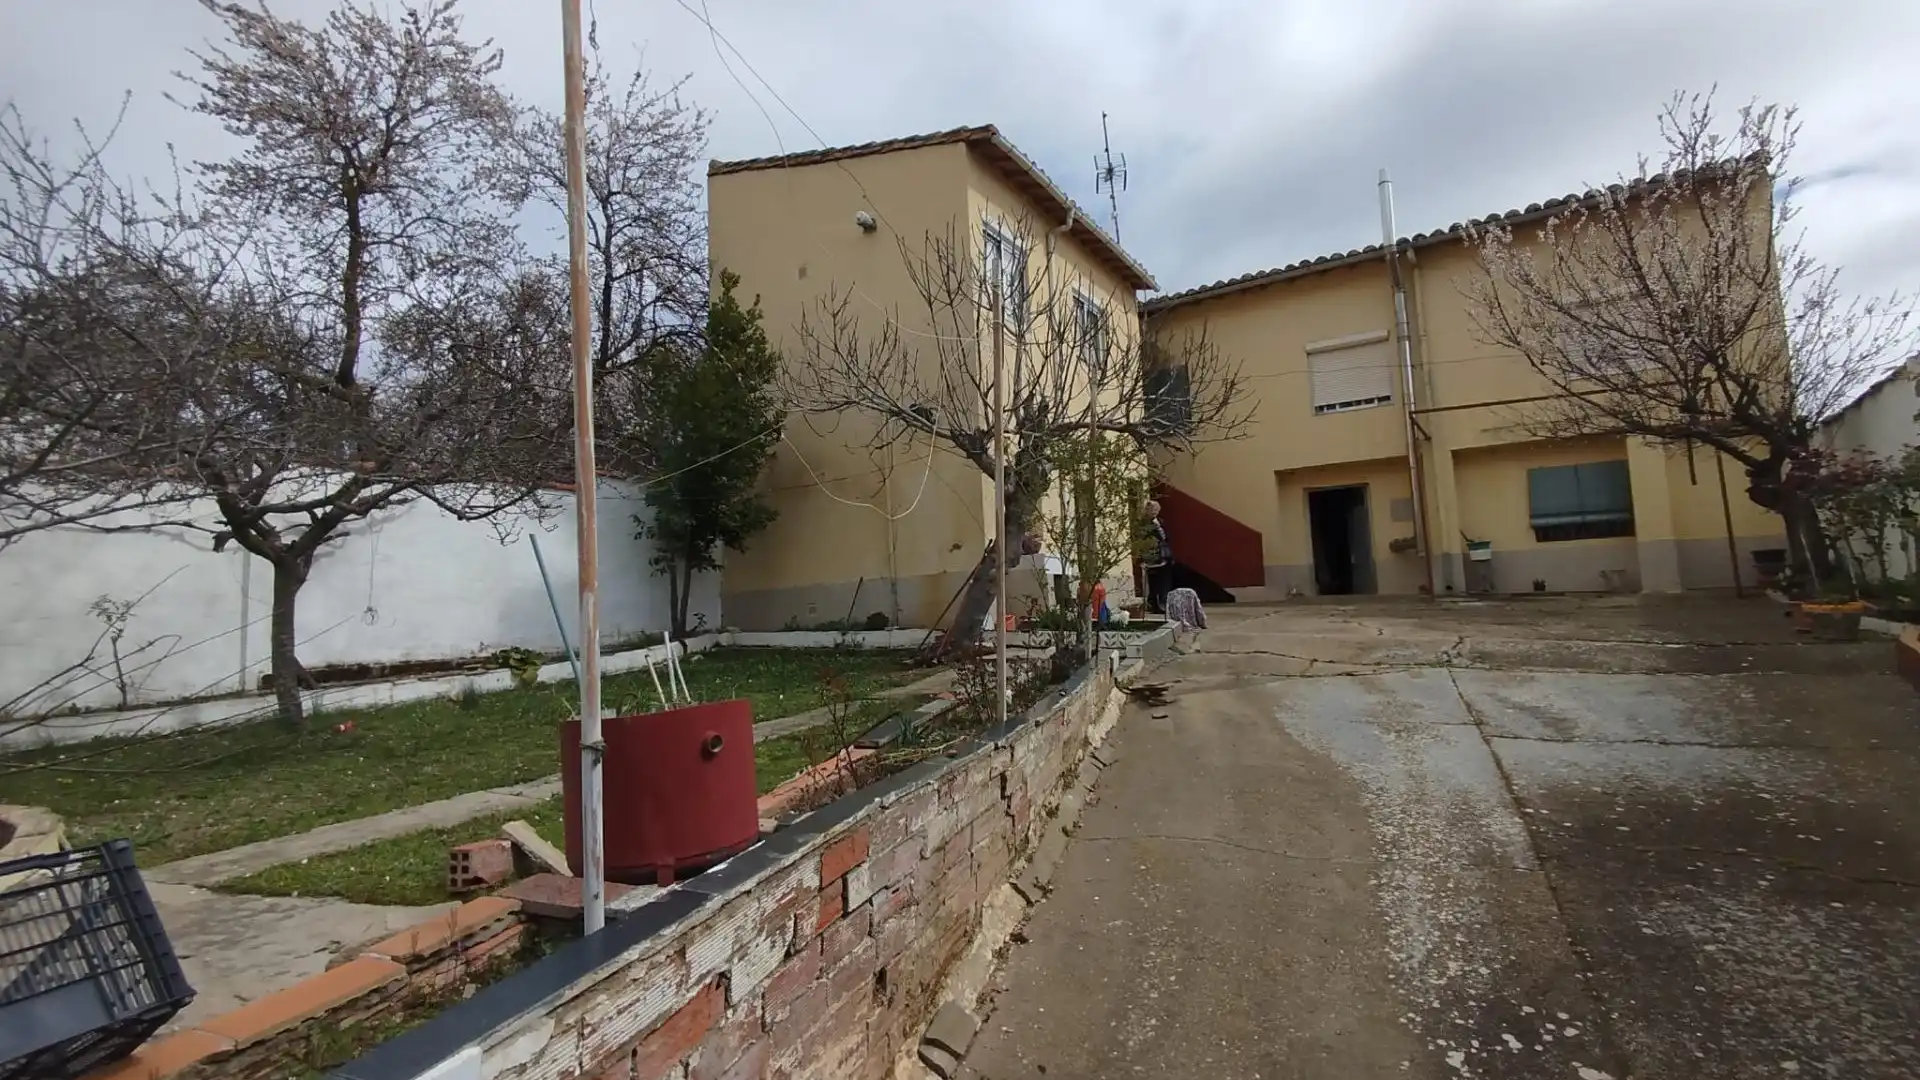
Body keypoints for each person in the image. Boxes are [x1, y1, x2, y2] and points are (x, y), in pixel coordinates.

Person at [1142, 500, 1173, 614]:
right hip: (1152, 556)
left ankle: (1162, 603)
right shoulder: (1144, 524)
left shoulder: (1161, 521)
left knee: (1164, 581)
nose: (1153, 512)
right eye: (1150, 509)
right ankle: (1155, 604)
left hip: (1164, 555)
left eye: (1155, 509)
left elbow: (1166, 537)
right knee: (1154, 582)